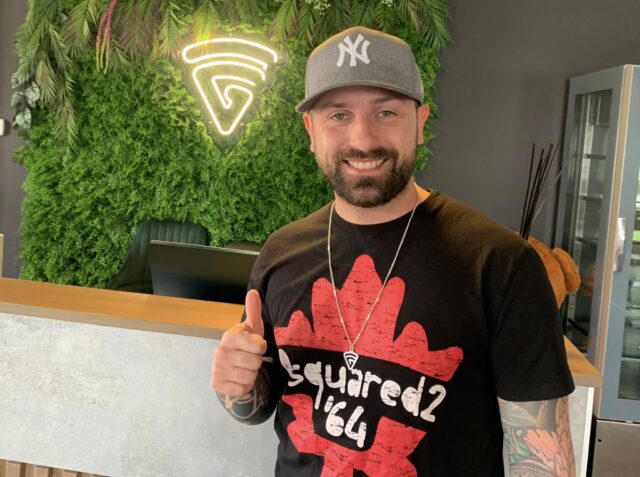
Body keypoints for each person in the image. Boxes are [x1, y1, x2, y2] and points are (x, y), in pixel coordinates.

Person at [211, 26, 576, 477]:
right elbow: (259, 408)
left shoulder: (501, 264)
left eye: (386, 112)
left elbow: (540, 460)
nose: (363, 139)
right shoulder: (280, 254)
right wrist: (237, 388)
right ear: (311, 131)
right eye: (338, 115)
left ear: (420, 123)